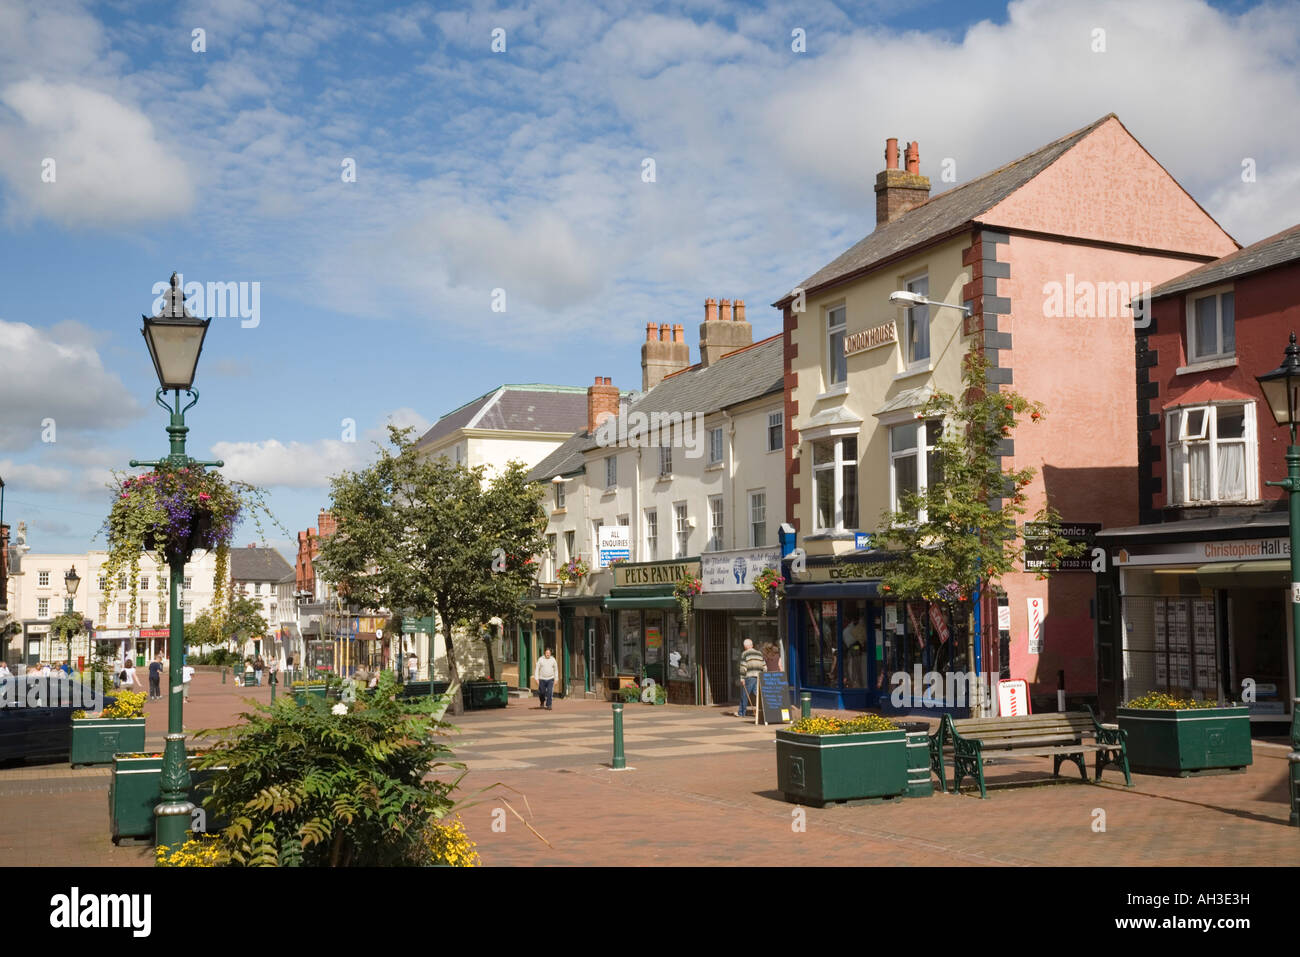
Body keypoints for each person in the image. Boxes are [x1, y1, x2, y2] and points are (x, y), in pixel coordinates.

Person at [737, 638, 766, 718]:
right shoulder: (759, 653)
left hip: (749, 676)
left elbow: (743, 667)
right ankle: (765, 711)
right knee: (758, 694)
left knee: (745, 695)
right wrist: (764, 675)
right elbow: (764, 665)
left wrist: (742, 678)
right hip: (759, 676)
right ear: (752, 645)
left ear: (745, 646)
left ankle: (741, 712)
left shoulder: (745, 653)